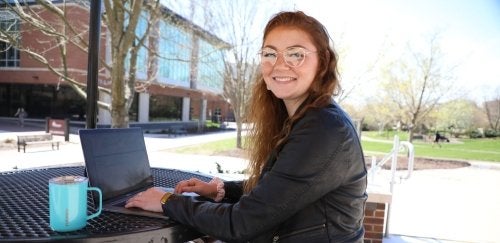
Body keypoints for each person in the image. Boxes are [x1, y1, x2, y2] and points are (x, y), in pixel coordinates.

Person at [126, 11, 367, 242]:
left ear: (322, 62)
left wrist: (168, 201)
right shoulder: (303, 119)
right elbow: (277, 190)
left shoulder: (323, 130)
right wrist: (220, 191)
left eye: (296, 54)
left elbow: (242, 223)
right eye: (270, 54)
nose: (280, 64)